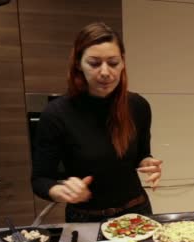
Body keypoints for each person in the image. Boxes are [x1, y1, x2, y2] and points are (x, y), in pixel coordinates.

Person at [31, 22, 162, 222]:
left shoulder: (138, 106)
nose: (105, 72)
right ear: (78, 63)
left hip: (136, 213)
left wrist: (148, 163)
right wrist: (59, 190)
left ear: (123, 62)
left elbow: (141, 155)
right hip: (85, 218)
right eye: (94, 63)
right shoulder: (56, 113)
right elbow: (40, 180)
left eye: (113, 62)